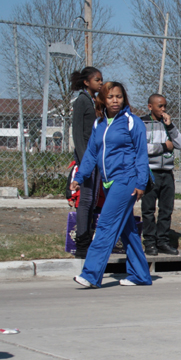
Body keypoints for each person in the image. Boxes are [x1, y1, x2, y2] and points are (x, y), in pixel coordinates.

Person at [70, 81, 152, 288]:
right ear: (103, 100)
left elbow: (142, 154)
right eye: (110, 97)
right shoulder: (99, 124)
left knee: (106, 225)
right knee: (127, 230)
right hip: (108, 183)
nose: (115, 100)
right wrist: (79, 178)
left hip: (127, 180)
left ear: (124, 99)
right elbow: (90, 154)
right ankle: (141, 274)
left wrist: (141, 182)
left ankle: (90, 274)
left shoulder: (132, 122)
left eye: (119, 96)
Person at [141, 94, 181, 256]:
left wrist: (171, 126)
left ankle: (163, 241)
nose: (163, 109)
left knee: (166, 209)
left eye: (165, 106)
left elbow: (180, 144)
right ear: (150, 107)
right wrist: (163, 147)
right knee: (148, 210)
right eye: (160, 106)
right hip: (150, 172)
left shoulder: (167, 124)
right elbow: (141, 149)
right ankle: (150, 242)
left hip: (167, 172)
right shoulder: (142, 123)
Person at [69, 66, 103, 258]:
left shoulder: (93, 100)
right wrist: (84, 161)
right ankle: (82, 244)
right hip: (86, 158)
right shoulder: (82, 101)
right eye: (97, 80)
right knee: (86, 200)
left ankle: (88, 239)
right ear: (86, 82)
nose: (100, 83)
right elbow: (77, 132)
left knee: (92, 200)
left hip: (96, 157)